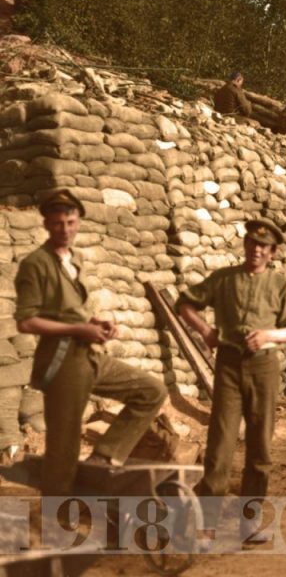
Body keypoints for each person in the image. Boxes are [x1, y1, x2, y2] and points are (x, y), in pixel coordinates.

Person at [13, 190, 168, 496]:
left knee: (152, 391)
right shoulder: (36, 264)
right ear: (46, 223)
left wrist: (97, 324)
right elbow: (26, 321)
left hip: (89, 356)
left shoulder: (77, 260)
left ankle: (104, 456)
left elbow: (74, 310)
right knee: (64, 449)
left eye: (71, 222)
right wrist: (79, 329)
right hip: (61, 362)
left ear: (79, 221)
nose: (65, 230)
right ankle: (56, 523)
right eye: (58, 223)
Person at [176, 218, 286, 541]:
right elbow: (184, 304)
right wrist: (206, 331)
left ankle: (250, 522)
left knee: (260, 450)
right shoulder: (224, 279)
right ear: (245, 245)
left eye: (263, 246)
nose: (256, 250)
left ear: (272, 253)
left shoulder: (281, 286)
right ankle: (206, 525)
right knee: (220, 447)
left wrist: (268, 336)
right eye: (252, 243)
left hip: (264, 369)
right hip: (229, 368)